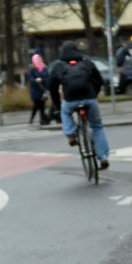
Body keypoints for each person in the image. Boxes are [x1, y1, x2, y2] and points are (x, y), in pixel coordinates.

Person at [48, 42, 110, 170]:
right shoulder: (87, 63)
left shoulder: (59, 66)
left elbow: (52, 88)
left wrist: (58, 105)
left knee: (65, 112)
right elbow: (99, 81)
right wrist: (94, 95)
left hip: (70, 100)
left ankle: (71, 135)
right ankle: (103, 157)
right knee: (97, 127)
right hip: (89, 98)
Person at [28, 53, 49, 126]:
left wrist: (42, 79)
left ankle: (42, 119)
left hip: (43, 89)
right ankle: (32, 117)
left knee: (42, 105)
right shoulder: (32, 69)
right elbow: (30, 78)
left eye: (40, 59)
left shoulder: (44, 68)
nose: (39, 60)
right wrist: (36, 80)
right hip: (35, 90)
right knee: (36, 105)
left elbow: (48, 77)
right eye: (38, 59)